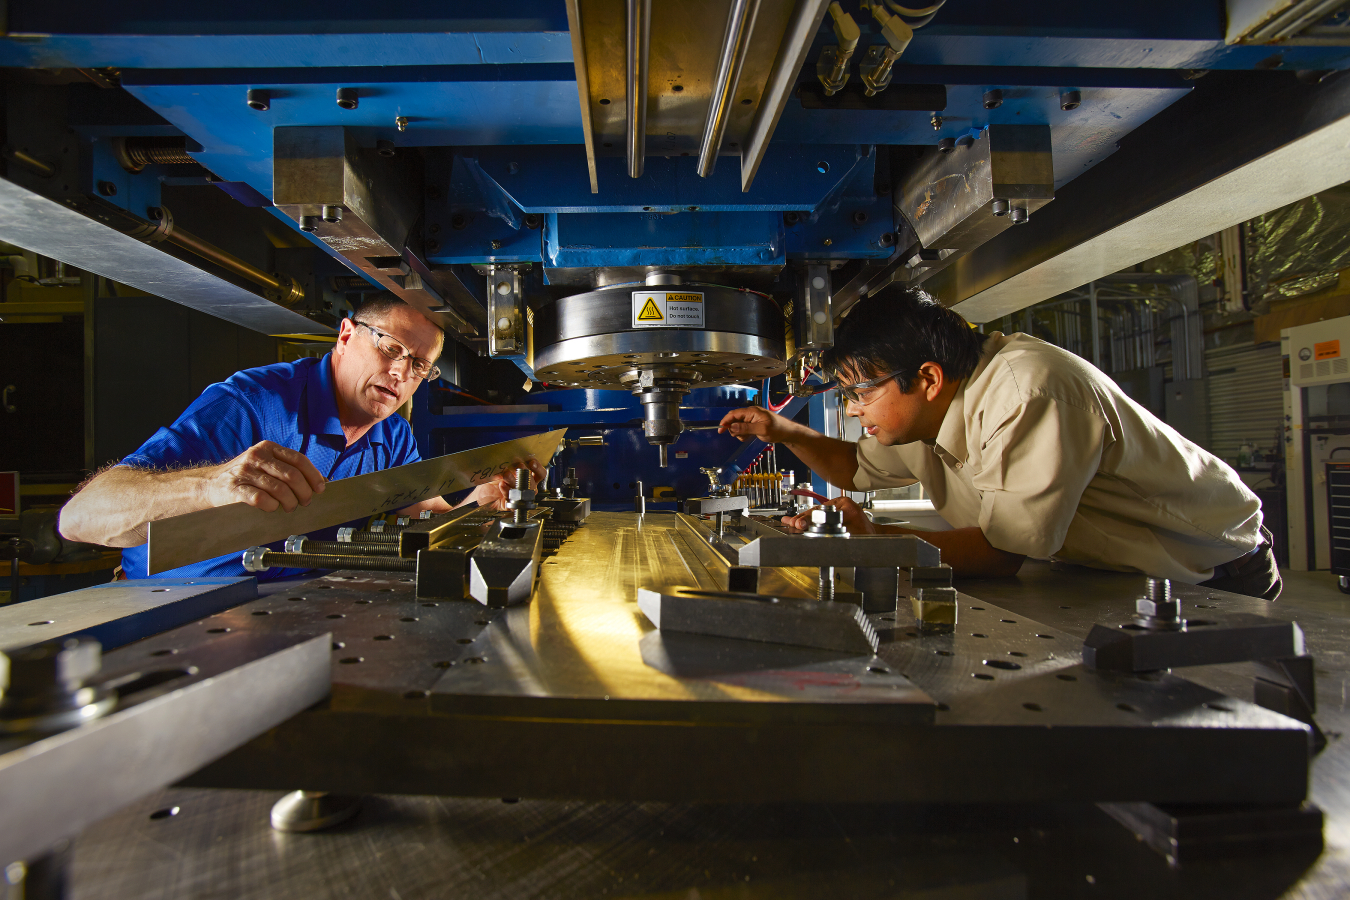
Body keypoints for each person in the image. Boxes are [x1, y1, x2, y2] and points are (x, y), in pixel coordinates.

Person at [718, 287, 1279, 600]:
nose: (851, 409)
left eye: (860, 392)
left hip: (1211, 571)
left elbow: (1003, 552)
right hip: (1109, 574)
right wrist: (779, 429)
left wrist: (872, 538)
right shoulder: (929, 413)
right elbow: (852, 468)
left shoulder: (1025, 391)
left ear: (928, 378)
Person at [59, 293, 543, 580]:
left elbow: (425, 514)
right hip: (187, 608)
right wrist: (213, 485)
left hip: (304, 604)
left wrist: (483, 502)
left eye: (418, 366)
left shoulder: (391, 433)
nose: (400, 372)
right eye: (391, 347)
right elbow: (79, 519)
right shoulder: (252, 405)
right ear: (346, 335)